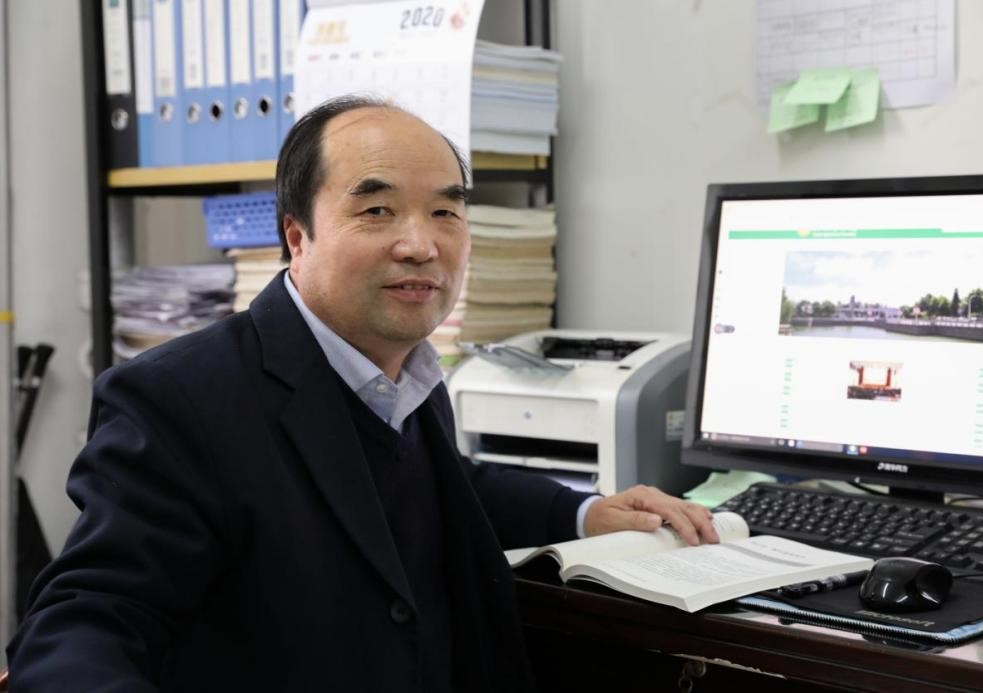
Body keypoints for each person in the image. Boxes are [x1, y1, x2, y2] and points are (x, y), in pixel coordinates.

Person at [6, 96, 717, 692]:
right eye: (376, 211)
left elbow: (435, 484)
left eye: (445, 212)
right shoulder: (177, 398)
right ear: (297, 236)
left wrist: (584, 511)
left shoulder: (404, 372)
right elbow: (88, 618)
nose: (420, 245)